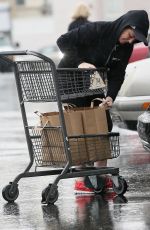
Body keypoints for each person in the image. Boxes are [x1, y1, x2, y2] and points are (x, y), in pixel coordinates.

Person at [56, 10, 149, 194]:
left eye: (135, 40)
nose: (131, 41)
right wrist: (79, 62)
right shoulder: (96, 29)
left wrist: (110, 96)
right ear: (125, 25)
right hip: (71, 81)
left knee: (102, 124)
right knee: (79, 128)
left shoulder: (125, 47)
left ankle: (101, 174)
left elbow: (117, 73)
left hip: (93, 83)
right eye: (130, 35)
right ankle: (82, 179)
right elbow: (62, 41)